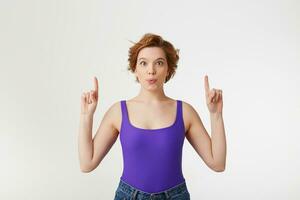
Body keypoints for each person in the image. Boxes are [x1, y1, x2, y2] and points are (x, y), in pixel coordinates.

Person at [78, 33, 227, 200]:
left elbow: (218, 163)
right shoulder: (118, 112)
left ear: (168, 69)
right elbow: (87, 164)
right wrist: (86, 116)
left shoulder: (185, 111)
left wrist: (216, 115)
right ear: (135, 69)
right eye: (143, 63)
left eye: (159, 63)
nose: (151, 70)